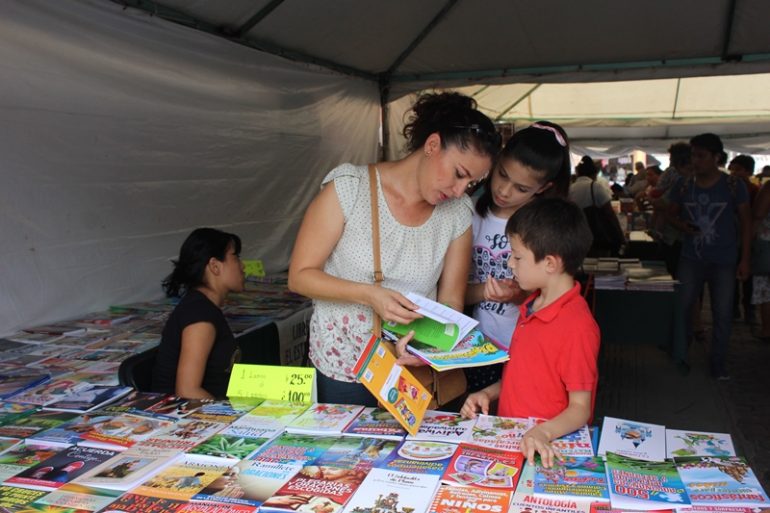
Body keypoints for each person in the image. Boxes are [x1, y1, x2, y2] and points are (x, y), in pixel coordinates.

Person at [288, 92, 501, 405]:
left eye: (470, 183)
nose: (459, 190)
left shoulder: (456, 213)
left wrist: (429, 351)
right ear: (432, 146)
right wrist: (370, 295)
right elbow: (300, 277)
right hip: (344, 365)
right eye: (458, 174)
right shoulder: (350, 188)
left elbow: (451, 300)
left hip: (410, 370)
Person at [460, 197, 599, 468]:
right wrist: (487, 393)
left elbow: (580, 408)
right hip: (512, 438)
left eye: (518, 256)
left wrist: (543, 433)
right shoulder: (531, 305)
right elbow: (524, 376)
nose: (510, 264)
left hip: (546, 450)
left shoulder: (577, 327)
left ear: (550, 263)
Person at [464, 121, 571, 393]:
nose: (504, 191)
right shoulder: (469, 213)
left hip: (526, 348)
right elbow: (451, 294)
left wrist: (518, 296)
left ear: (544, 188)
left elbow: (559, 300)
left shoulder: (545, 229)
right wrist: (487, 293)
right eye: (501, 175)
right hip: (475, 347)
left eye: (521, 188)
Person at [667, 134, 751, 380]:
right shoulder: (683, 185)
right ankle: (681, 355)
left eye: (701, 156)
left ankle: (717, 363)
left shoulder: (734, 186)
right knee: (682, 308)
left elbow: (746, 223)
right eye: (694, 155)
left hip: (724, 259)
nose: (696, 161)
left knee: (722, 313)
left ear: (716, 158)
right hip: (691, 257)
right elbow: (670, 214)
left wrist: (745, 259)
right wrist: (682, 225)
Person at [151, 228, 245, 399]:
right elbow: (188, 391)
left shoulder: (203, 307)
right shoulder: (200, 317)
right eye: (236, 257)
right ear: (215, 266)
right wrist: (230, 417)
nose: (242, 265)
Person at [569, 156, 625, 257]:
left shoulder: (570, 189)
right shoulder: (595, 187)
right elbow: (610, 214)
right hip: (596, 240)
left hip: (576, 239)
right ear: (594, 174)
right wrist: (620, 237)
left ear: (578, 173)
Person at [729, 155, 759, 324]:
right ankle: (733, 309)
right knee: (731, 276)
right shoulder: (728, 189)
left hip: (748, 238)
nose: (733, 173)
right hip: (732, 239)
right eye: (732, 169)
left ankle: (749, 309)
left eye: (738, 170)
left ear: (749, 172)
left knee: (749, 278)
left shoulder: (754, 191)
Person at [751, 180, 770, 340]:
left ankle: (767, 329)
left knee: (766, 290)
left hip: (767, 244)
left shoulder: (769, 188)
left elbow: (757, 215)